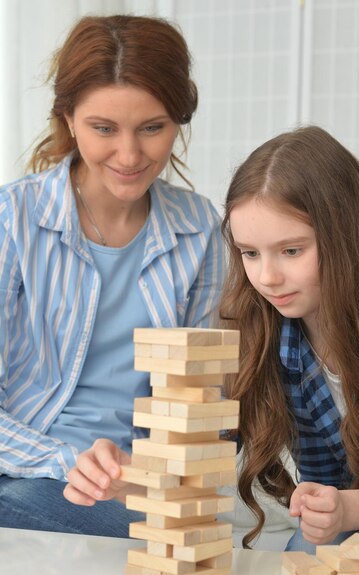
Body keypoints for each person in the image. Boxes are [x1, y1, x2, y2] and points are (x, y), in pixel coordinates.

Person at [0, 15, 224, 536]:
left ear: (178, 120)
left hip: (132, 484)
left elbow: (204, 398)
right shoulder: (14, 219)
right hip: (25, 463)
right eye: (104, 129)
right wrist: (64, 460)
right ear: (69, 117)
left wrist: (144, 472)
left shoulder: (199, 229)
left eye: (152, 128)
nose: (129, 156)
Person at [220, 125, 359, 554]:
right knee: (306, 556)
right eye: (249, 253)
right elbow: (209, 436)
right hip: (351, 511)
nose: (267, 278)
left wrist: (348, 511)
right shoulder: (267, 326)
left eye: (291, 251)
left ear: (346, 236)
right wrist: (131, 470)